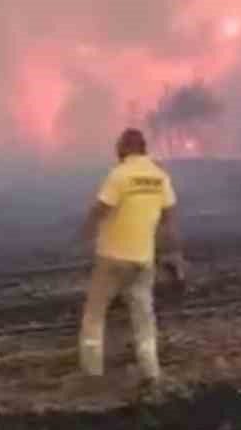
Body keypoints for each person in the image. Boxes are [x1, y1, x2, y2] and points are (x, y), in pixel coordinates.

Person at [79, 128, 186, 401]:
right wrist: (174, 254)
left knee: (94, 316)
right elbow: (170, 220)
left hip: (112, 259)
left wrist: (83, 233)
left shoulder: (120, 175)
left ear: (124, 149)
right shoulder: (160, 177)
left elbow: (101, 209)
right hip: (142, 260)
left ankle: (92, 373)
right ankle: (151, 373)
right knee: (144, 320)